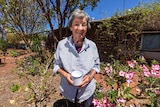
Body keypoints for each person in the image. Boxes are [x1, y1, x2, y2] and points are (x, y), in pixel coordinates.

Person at [53, 9, 100, 107]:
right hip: (69, 90)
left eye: (84, 24)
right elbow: (56, 65)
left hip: (87, 90)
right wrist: (66, 75)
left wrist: (90, 76)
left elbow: (96, 65)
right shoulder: (62, 45)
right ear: (70, 27)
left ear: (87, 27)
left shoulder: (92, 46)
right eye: (76, 24)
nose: (80, 28)